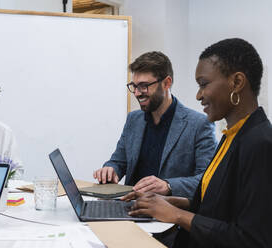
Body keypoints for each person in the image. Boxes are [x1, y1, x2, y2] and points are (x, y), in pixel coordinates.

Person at [123, 38, 272, 247]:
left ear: (237, 83)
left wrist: (178, 215)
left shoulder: (261, 144)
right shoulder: (232, 136)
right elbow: (218, 206)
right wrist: (173, 203)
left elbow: (252, 239)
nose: (198, 95)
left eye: (204, 85)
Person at [93, 52, 217, 198]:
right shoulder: (134, 119)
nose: (138, 93)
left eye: (144, 86)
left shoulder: (199, 124)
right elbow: (118, 161)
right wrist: (110, 169)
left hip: (167, 214)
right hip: (129, 206)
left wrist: (168, 186)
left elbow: (207, 180)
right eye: (134, 86)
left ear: (166, 83)